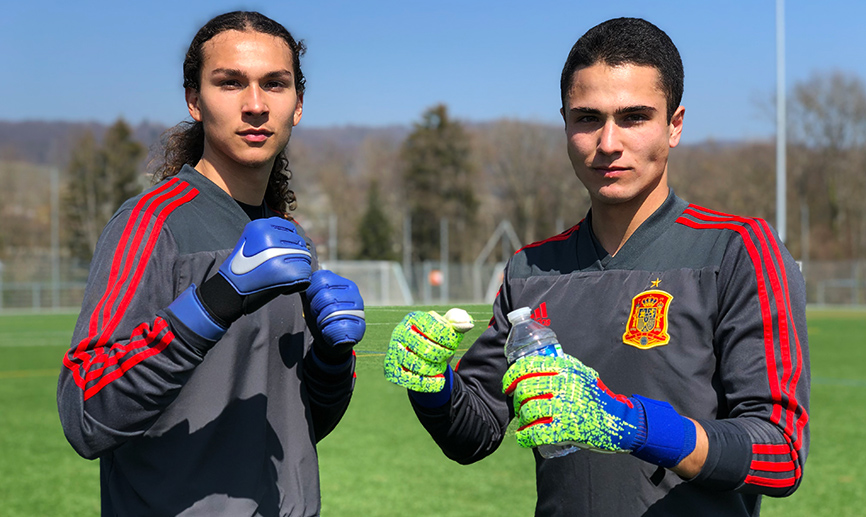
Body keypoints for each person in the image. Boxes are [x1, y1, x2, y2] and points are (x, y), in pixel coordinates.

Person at [384, 17, 809, 516]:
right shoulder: (531, 269)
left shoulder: (737, 249)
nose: (608, 142)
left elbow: (779, 453)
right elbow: (474, 434)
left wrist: (633, 425)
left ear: (674, 124)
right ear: (565, 123)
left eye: (634, 117)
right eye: (587, 118)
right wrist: (434, 385)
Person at [57, 11, 366, 516]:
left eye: (275, 84)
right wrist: (216, 300)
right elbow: (87, 415)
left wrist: (331, 361)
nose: (255, 105)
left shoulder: (294, 244)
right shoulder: (149, 223)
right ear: (194, 102)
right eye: (229, 83)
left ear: (299, 105)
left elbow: (305, 423)